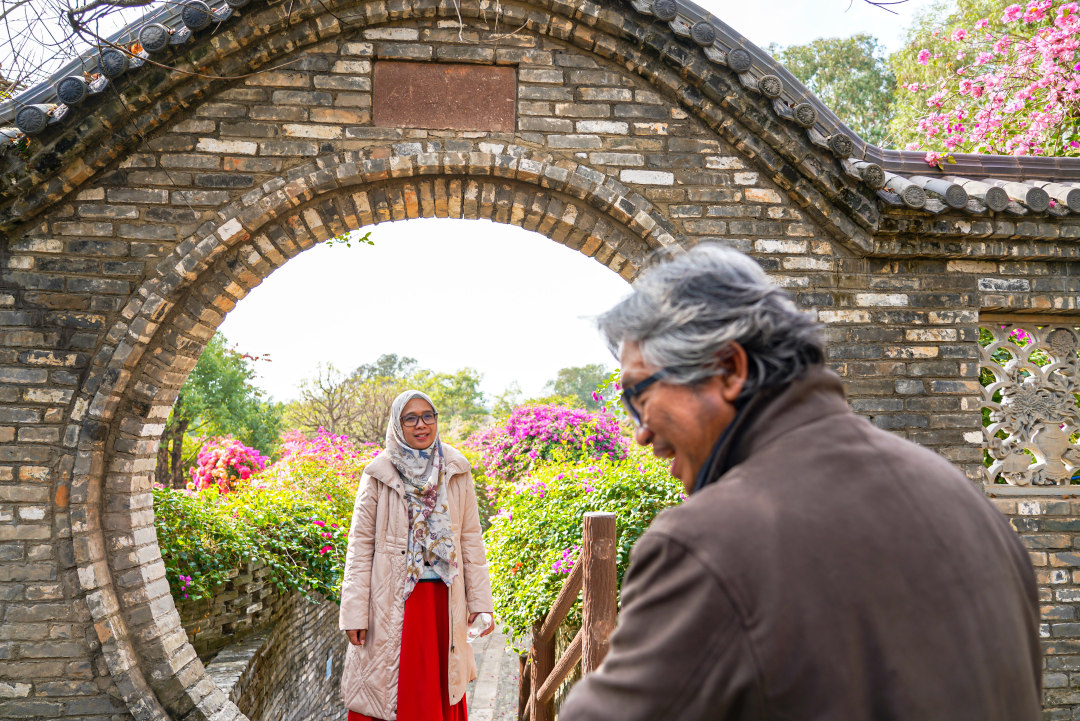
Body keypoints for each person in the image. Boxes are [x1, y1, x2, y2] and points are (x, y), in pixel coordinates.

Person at [559, 244, 1042, 721]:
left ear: (728, 369)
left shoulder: (708, 542)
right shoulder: (965, 503)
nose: (641, 433)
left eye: (638, 396)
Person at [339, 390, 494, 721]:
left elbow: (470, 539)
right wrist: (354, 613)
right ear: (398, 424)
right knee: (390, 686)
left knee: (441, 686)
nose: (421, 425)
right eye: (411, 418)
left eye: (428, 416)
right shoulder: (378, 473)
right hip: (395, 600)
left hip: (444, 598)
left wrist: (480, 602)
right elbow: (360, 545)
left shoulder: (456, 469)